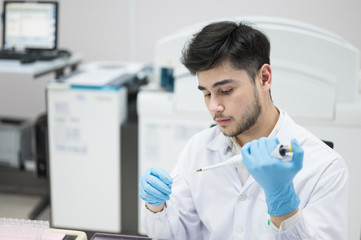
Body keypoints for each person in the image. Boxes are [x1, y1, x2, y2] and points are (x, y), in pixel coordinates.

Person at [138, 20, 349, 239]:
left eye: (226, 90)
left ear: (264, 78)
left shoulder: (325, 168)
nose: (214, 107)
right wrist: (157, 206)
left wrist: (282, 201)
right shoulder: (199, 149)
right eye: (207, 94)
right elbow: (173, 235)